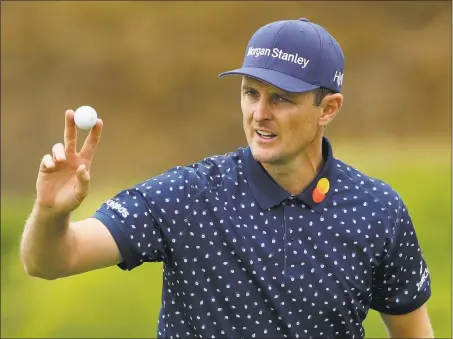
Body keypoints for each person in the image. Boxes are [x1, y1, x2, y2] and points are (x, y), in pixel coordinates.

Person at [20, 18, 434, 338]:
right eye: (251, 93)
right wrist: (50, 213)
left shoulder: (377, 210)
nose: (260, 114)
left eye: (281, 98)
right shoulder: (190, 194)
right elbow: (53, 261)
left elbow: (413, 330)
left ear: (328, 108)